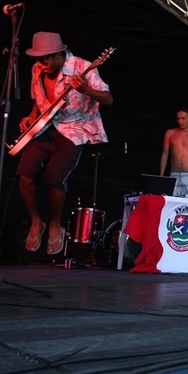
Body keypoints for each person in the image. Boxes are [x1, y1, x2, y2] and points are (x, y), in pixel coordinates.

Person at [17, 32, 113, 255]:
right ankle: (36, 221)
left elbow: (109, 99)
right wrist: (32, 115)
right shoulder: (37, 68)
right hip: (46, 126)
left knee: (55, 178)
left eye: (46, 59)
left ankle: (55, 224)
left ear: (59, 55)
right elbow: (39, 98)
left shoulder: (82, 67)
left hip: (74, 129)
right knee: (25, 175)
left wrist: (86, 90)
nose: (41, 64)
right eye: (38, 59)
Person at [159, 107, 188, 197]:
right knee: (172, 202)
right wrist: (161, 176)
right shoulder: (170, 133)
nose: (180, 121)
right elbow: (165, 154)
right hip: (174, 174)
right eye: (178, 118)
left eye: (183, 118)